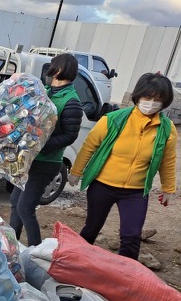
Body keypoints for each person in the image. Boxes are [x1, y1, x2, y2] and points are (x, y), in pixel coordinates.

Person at [68, 72, 177, 260]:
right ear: (138, 96)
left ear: (165, 102)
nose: (151, 103)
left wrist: (168, 188)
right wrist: (76, 171)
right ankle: (77, 262)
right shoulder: (113, 120)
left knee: (132, 236)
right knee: (91, 228)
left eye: (158, 99)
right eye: (147, 97)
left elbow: (167, 160)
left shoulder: (166, 129)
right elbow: (89, 146)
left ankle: (126, 278)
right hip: (103, 186)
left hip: (135, 191)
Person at [9, 53, 83, 246]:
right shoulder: (47, 92)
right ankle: (11, 245)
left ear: (60, 70)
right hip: (28, 160)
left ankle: (35, 250)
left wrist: (40, 144)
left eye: (53, 67)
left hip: (46, 163)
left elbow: (70, 135)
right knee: (15, 203)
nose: (50, 71)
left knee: (25, 207)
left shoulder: (71, 101)